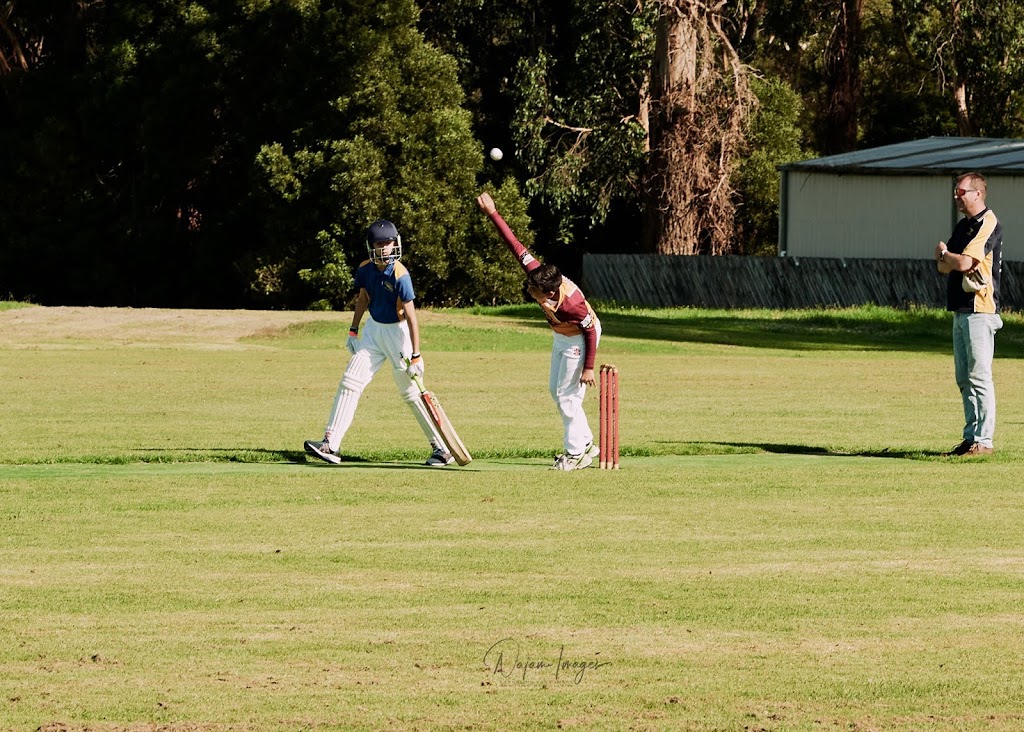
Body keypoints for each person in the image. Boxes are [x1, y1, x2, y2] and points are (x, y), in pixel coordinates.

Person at [304, 219, 456, 467]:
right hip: (373, 331)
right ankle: (330, 444)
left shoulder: (401, 275)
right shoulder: (365, 269)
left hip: (399, 334)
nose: (385, 248)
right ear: (371, 246)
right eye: (380, 244)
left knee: (411, 394)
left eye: (388, 243)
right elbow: (363, 299)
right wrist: (354, 330)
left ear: (395, 243)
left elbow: (412, 317)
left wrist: (416, 355)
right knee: (350, 382)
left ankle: (441, 449)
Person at [476, 192, 602, 471]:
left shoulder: (572, 305)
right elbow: (514, 244)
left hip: (580, 338)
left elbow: (591, 331)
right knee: (556, 392)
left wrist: (589, 368)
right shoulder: (539, 273)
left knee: (568, 396)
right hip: (562, 334)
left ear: (549, 291)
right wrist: (492, 213)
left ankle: (574, 453)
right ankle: (587, 443)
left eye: (533, 289)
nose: (529, 289)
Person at [934, 172, 1003, 457]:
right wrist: (949, 258)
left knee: (979, 376)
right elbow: (943, 267)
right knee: (963, 377)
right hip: (960, 309)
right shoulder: (963, 226)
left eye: (960, 191)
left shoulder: (988, 223)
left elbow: (961, 262)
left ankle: (984, 441)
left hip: (980, 308)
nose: (956, 196)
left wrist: (946, 254)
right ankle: (970, 438)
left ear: (977, 193)